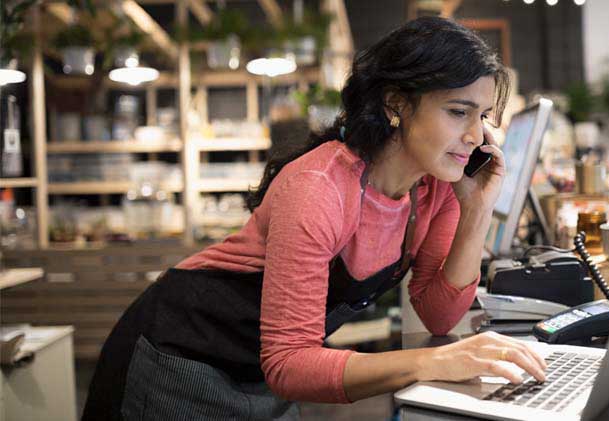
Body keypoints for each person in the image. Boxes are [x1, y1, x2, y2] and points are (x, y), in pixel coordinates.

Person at [82, 16, 547, 421]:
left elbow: (439, 313)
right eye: (457, 111)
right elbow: (289, 362)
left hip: (259, 373)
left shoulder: (435, 186)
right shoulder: (320, 187)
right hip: (177, 357)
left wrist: (477, 207)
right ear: (396, 105)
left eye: (483, 115)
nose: (476, 135)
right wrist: (431, 363)